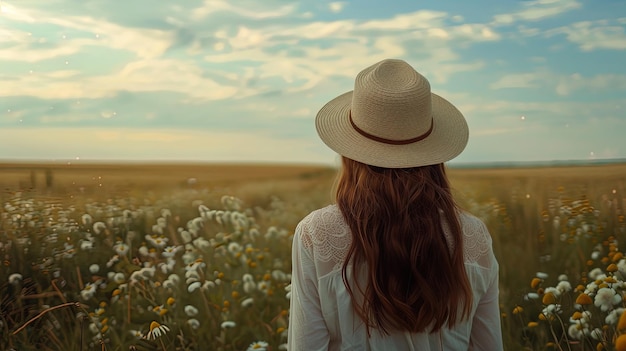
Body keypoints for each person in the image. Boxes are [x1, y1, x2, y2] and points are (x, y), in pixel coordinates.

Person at [287, 59, 503, 350]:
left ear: (350, 153)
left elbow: (306, 345)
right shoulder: (473, 236)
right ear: (434, 154)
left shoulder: (316, 234)